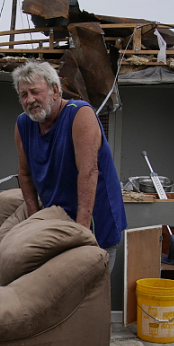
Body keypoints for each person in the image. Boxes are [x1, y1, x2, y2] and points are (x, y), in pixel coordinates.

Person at [12, 60, 127, 271]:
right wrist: (35, 219)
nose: (30, 100)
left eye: (35, 92)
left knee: (90, 292)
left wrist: (81, 233)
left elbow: (89, 172)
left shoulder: (79, 114)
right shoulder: (23, 124)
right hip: (57, 222)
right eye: (24, 95)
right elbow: (25, 174)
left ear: (55, 90)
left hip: (94, 222)